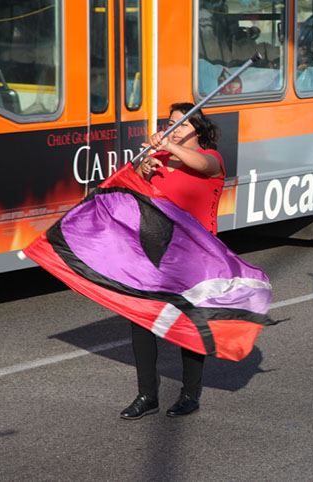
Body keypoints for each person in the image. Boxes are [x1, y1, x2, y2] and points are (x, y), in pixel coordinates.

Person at [120, 102, 225, 420]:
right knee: (140, 321)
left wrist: (167, 145)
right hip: (155, 250)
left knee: (189, 325)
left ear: (199, 129)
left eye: (181, 124)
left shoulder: (211, 159)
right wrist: (142, 170)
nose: (174, 128)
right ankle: (146, 395)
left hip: (195, 256)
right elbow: (129, 190)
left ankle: (190, 394)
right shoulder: (160, 158)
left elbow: (203, 165)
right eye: (170, 123)